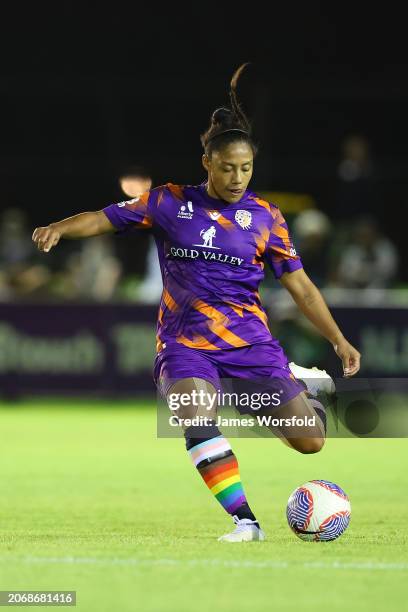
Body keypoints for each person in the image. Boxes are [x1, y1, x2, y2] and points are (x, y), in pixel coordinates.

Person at [32, 63, 361, 543]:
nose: (237, 177)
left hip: (249, 342)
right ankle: (245, 521)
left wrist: (338, 339)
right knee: (194, 414)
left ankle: (304, 388)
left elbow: (302, 286)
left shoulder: (266, 218)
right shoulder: (169, 203)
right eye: (227, 167)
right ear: (207, 162)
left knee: (310, 442)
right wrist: (61, 227)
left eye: (245, 168)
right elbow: (103, 218)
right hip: (185, 344)